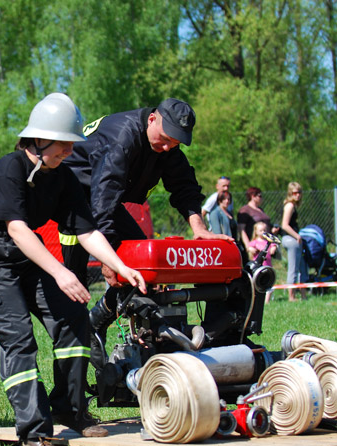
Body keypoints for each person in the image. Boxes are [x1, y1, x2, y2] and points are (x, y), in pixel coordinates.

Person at [0, 93, 146, 446]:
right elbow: (17, 229)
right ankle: (34, 433)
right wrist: (60, 271)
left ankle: (70, 409)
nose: (67, 150)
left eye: (69, 143)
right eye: (62, 144)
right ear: (39, 140)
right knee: (19, 340)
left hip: (26, 256)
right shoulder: (8, 169)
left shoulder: (62, 177)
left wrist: (121, 266)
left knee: (74, 320)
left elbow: (87, 231)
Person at [61, 97, 232, 367]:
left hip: (104, 199)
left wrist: (199, 228)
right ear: (152, 119)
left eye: (173, 144)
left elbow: (184, 185)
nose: (166, 148)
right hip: (72, 193)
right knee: (74, 289)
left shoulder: (166, 146)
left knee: (144, 265)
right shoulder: (123, 138)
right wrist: (108, 259)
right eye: (164, 139)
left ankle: (99, 323)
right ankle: (74, 360)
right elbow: (104, 195)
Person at [280, 181, 307, 301]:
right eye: (295, 193)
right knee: (293, 268)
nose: (298, 195)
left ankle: (302, 295)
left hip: (293, 239)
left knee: (300, 267)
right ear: (290, 193)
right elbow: (284, 225)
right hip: (290, 239)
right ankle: (291, 296)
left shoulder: (293, 206)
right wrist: (297, 236)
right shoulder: (289, 206)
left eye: (299, 192)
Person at [237, 186, 277, 252]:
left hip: (263, 244)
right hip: (253, 246)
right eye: (259, 196)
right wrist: (248, 246)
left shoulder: (260, 210)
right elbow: (241, 230)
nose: (262, 198)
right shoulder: (245, 210)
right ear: (253, 196)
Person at [248, 221, 277, 303]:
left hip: (267, 265)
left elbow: (273, 246)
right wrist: (252, 249)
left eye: (264, 230)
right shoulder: (255, 242)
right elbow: (249, 247)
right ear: (256, 232)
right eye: (261, 230)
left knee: (268, 283)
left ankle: (266, 301)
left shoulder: (267, 242)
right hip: (258, 267)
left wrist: (273, 248)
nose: (263, 232)